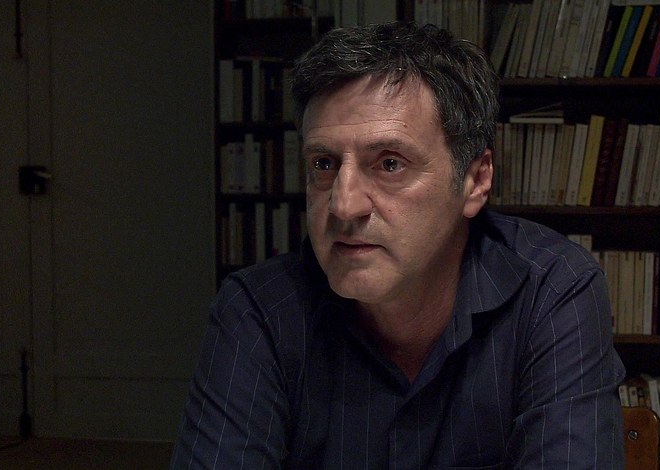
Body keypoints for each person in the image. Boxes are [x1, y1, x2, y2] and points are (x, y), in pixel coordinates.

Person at [171, 21, 625, 469]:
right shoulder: (258, 310)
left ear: (475, 180)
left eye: (390, 163)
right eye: (324, 164)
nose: (344, 204)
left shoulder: (552, 289)